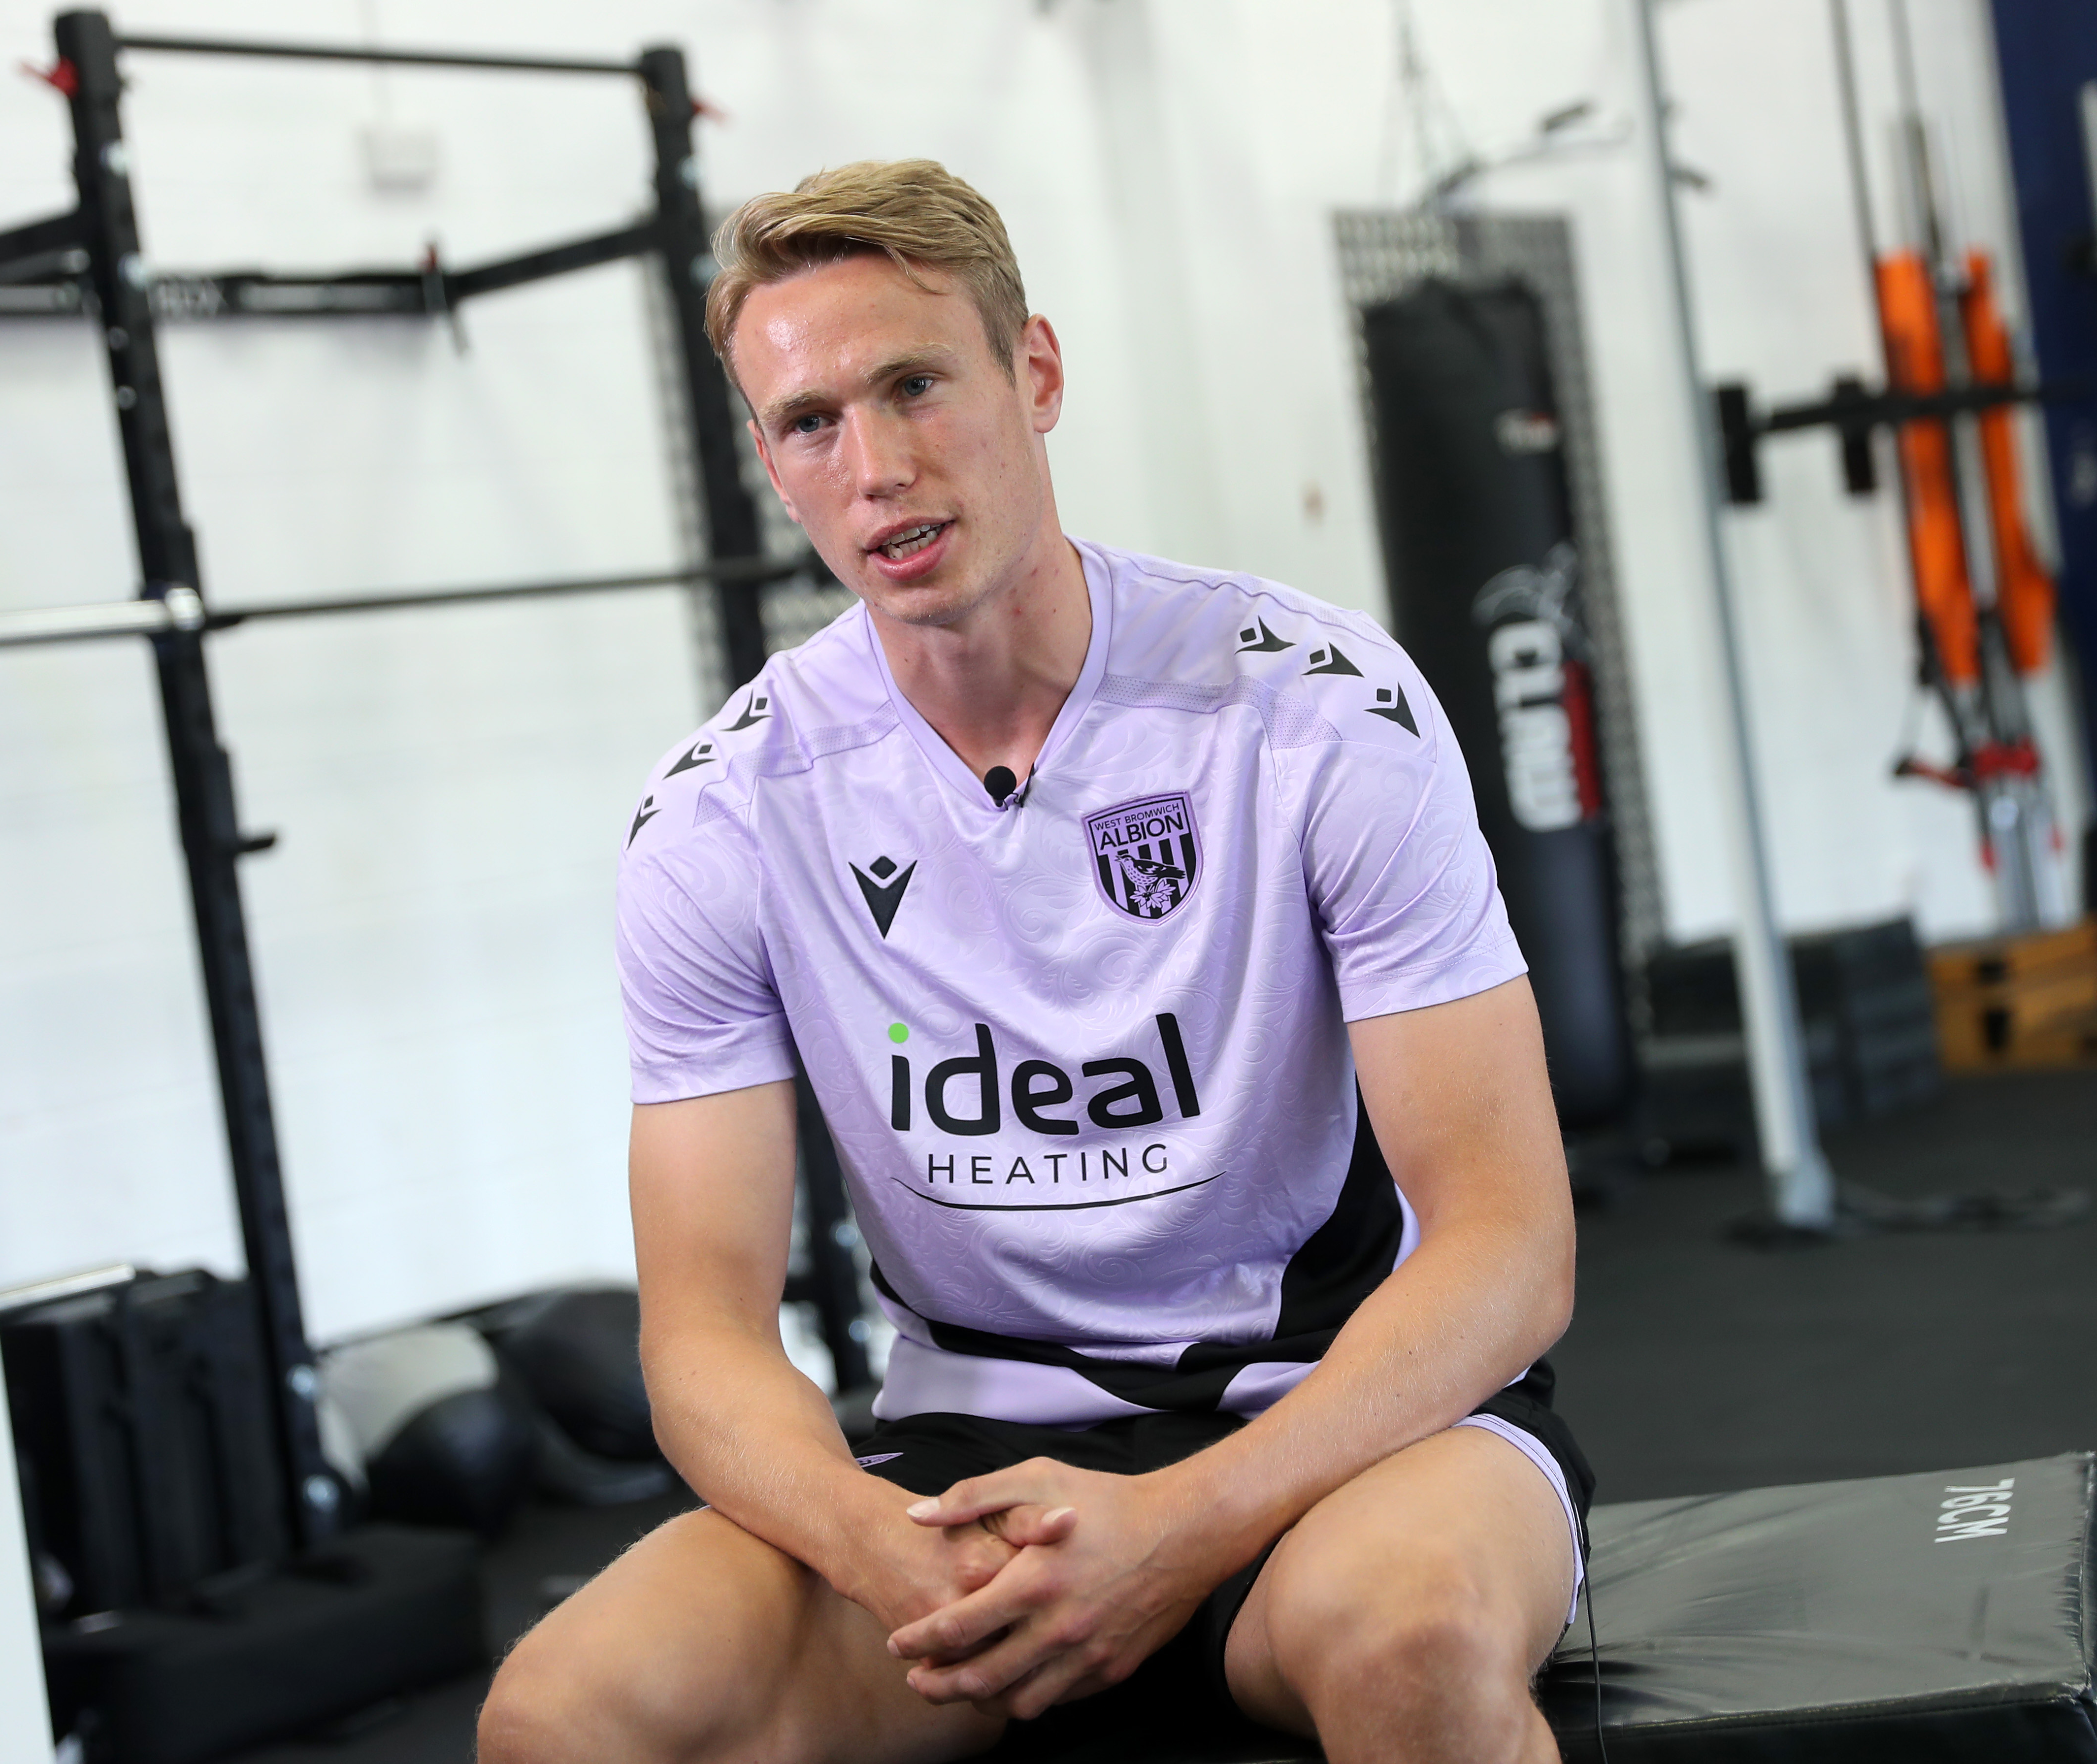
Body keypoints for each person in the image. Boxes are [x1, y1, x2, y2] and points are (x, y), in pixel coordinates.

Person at [479, 159, 1589, 1764]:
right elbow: (703, 1337)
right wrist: (880, 1548)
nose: (878, 468)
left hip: (1342, 1431)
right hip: (966, 1481)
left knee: (1413, 1655)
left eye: (916, 385)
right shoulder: (725, 818)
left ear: (1036, 372)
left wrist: (1183, 1525)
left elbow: (1507, 1245)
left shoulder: (1320, 713)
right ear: (772, 459)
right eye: (812, 424)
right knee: (564, 1719)